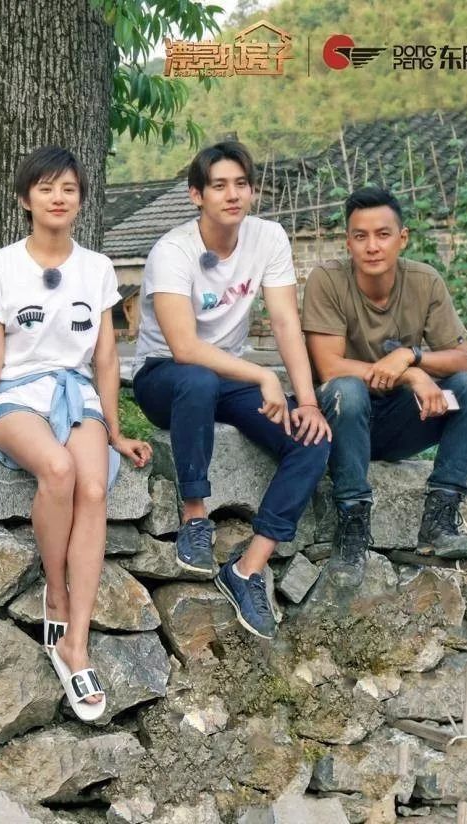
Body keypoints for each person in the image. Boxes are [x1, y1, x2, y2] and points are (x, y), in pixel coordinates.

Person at [0, 146, 151, 721]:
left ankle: (75, 642)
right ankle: (56, 591)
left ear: (80, 200)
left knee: (94, 485)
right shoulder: (0, 266)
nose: (58, 198)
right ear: (26, 199)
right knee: (58, 470)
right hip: (18, 396)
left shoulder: (98, 268)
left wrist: (115, 431)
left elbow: (106, 358)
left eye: (68, 189)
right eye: (46, 188)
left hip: (76, 393)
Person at [131, 140, 331, 640]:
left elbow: (285, 322)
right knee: (198, 379)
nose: (232, 194)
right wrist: (263, 375)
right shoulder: (173, 251)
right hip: (164, 377)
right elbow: (184, 348)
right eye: (219, 185)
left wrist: (307, 402)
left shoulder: (268, 237)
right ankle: (195, 519)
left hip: (229, 376)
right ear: (196, 195)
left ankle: (246, 570)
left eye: (241, 184)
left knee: (312, 439)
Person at [302, 186, 467, 586]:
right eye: (360, 236)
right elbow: (329, 366)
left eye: (383, 234)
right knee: (348, 390)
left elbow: (461, 359)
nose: (372, 246)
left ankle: (439, 519)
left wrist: (411, 356)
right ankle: (352, 524)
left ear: (402, 238)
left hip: (402, 421)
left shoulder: (424, 281)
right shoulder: (327, 280)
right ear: (348, 242)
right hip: (343, 421)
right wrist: (410, 374)